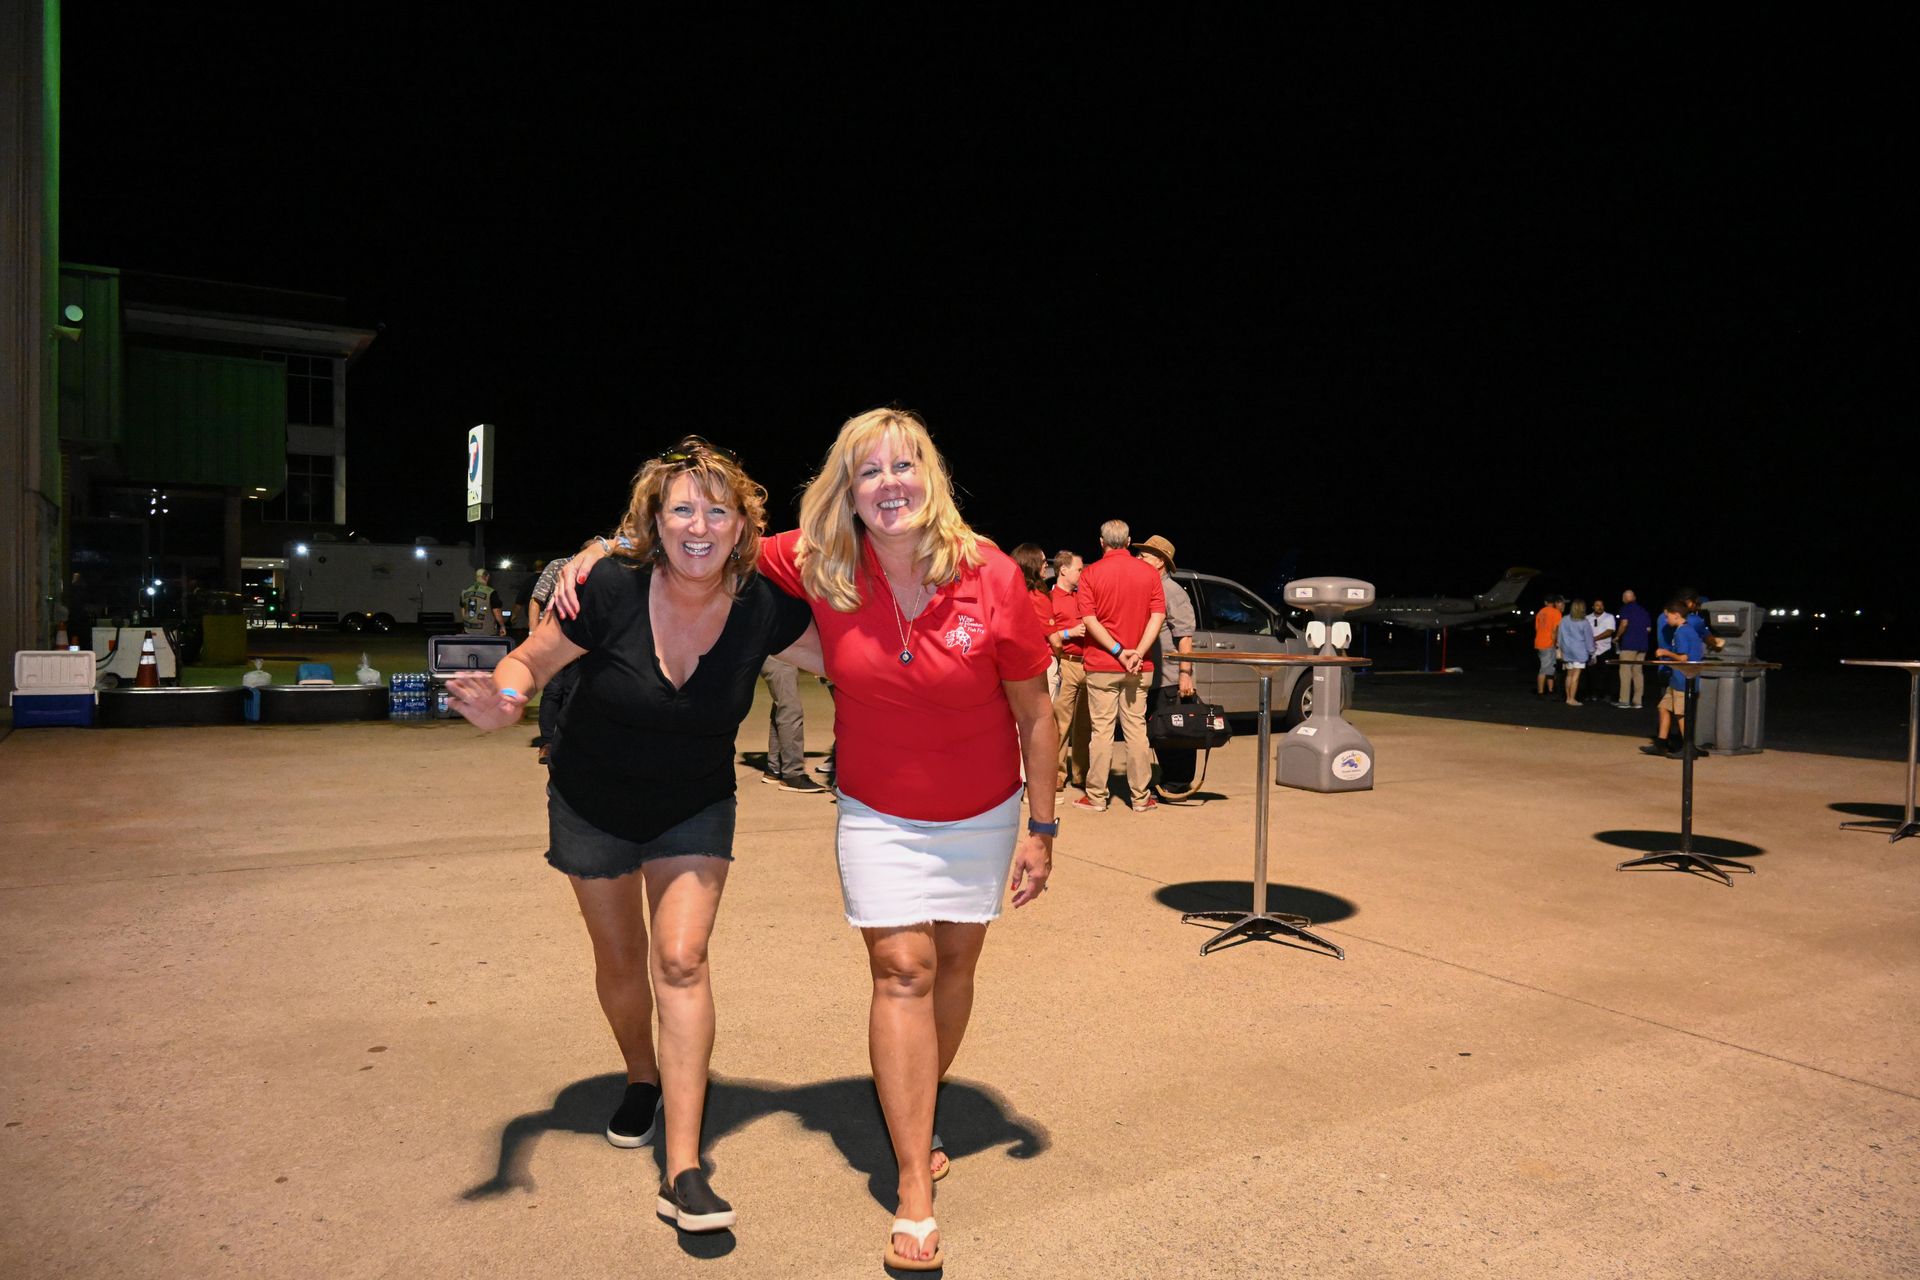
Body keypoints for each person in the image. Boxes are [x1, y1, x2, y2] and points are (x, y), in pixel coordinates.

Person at [554, 407, 1057, 1270]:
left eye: (905, 466)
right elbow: (703, 538)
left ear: (930, 476)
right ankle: (912, 1186)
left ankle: (919, 1103)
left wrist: (1042, 826)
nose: (889, 484)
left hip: (982, 809)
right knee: (905, 970)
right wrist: (604, 547)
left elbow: (1037, 710)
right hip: (878, 811)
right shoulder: (818, 558)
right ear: (848, 491)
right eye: (869, 472)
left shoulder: (992, 576)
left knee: (957, 969)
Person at [446, 437, 820, 1235]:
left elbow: (859, 660)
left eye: (718, 510)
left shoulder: (761, 606)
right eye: (682, 508)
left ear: (742, 526)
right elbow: (529, 661)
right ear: (654, 520)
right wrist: (502, 699)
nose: (699, 524)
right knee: (620, 960)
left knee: (680, 959)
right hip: (592, 798)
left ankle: (684, 1167)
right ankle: (641, 1077)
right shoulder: (609, 587)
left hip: (694, 802)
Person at [1073, 519, 1166, 813]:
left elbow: (1089, 620)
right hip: (1140, 666)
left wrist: (1117, 651)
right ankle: (1141, 798)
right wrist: (1137, 652)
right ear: (1128, 542)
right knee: (1136, 729)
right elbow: (1157, 617)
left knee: (1101, 731)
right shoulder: (1149, 573)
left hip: (1102, 664)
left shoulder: (1090, 574)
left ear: (1101, 542)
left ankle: (1096, 796)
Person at [1132, 534, 1199, 799]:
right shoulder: (1151, 587)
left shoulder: (1172, 591)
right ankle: (1167, 779)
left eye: (1144, 555)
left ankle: (1177, 783)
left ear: (1159, 561)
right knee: (1159, 731)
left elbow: (1185, 637)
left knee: (1174, 731)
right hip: (1153, 674)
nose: (1139, 559)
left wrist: (1185, 674)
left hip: (1170, 675)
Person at [1048, 549, 1091, 792]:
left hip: (1087, 663)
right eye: (1079, 569)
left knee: (1085, 725)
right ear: (1063, 570)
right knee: (1061, 723)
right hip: (1065, 661)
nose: (1082, 574)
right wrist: (1069, 633)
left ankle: (1080, 773)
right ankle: (1056, 774)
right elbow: (1043, 634)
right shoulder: (1049, 598)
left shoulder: (1082, 597)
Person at [526, 555, 575, 763]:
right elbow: (536, 600)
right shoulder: (557, 566)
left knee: (572, 691)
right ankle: (547, 743)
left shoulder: (599, 570)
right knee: (554, 690)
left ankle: (567, 741)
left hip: (579, 642)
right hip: (552, 639)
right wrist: (533, 635)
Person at [1642, 599, 1704, 757]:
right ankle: (1661, 744)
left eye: (1667, 616)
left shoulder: (1683, 631)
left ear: (1676, 615)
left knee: (1681, 713)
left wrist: (1666, 653)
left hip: (1684, 679)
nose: (1665, 619)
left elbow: (1684, 658)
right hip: (1676, 680)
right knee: (1664, 707)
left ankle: (1688, 748)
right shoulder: (1684, 630)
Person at [759, 657, 828, 793]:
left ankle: (774, 768)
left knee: (782, 706)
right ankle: (792, 775)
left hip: (775, 652)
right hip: (778, 653)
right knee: (790, 710)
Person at [1010, 543, 1058, 698]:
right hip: (1040, 664)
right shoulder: (1038, 597)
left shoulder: (1010, 594)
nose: (1046, 565)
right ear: (1033, 565)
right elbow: (1056, 642)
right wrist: (1059, 657)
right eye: (1043, 561)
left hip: (1014, 663)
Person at [1613, 589, 1652, 708]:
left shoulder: (1626, 609)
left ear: (1624, 598)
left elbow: (1624, 623)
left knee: (1625, 671)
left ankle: (1624, 700)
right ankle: (1637, 701)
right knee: (1638, 673)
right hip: (1642, 644)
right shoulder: (1644, 611)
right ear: (1634, 597)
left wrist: (1618, 636)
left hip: (1629, 644)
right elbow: (1648, 629)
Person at [1556, 598, 1594, 705]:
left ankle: (1568, 697)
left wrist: (1560, 648)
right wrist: (1592, 652)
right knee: (1576, 676)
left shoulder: (1564, 619)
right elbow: (1588, 639)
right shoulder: (1584, 622)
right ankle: (1572, 699)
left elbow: (1559, 637)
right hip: (1580, 652)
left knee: (1569, 675)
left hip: (1567, 651)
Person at [1533, 594, 1563, 697]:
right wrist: (1557, 644)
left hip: (1539, 642)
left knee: (1550, 667)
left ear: (1545, 602)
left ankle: (1550, 690)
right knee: (1545, 668)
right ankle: (1540, 692)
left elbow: (1537, 628)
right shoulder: (1556, 612)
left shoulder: (1540, 612)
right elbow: (1556, 630)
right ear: (1554, 603)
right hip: (1549, 643)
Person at [1587, 598, 1616, 704]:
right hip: (1591, 650)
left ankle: (1607, 694)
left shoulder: (1609, 617)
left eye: (1601, 605)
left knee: (1606, 673)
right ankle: (1592, 694)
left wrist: (1595, 638)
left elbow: (1609, 631)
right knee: (1591, 673)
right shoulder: (1587, 618)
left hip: (1605, 649)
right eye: (1597, 605)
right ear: (1593, 607)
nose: (1599, 607)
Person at [460, 568, 504, 636]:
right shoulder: (491, 592)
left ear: (476, 577)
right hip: (487, 632)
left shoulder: (465, 592)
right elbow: (497, 611)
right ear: (486, 577)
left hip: (468, 631)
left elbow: (463, 611)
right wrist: (502, 626)